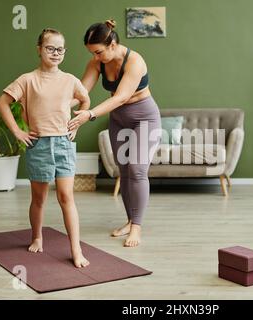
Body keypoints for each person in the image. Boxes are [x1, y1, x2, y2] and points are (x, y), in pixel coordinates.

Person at [0, 28, 91, 268]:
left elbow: (85, 99)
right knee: (39, 198)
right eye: (50, 48)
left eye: (60, 49)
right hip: (38, 145)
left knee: (66, 196)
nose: (56, 53)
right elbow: (3, 102)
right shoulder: (28, 79)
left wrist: (78, 122)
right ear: (39, 49)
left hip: (64, 143)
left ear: (65, 52)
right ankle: (37, 236)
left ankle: (76, 249)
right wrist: (17, 131)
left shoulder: (70, 80)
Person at [67, 20, 161, 247]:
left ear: (112, 43)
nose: (95, 57)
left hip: (144, 118)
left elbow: (120, 97)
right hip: (118, 120)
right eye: (92, 53)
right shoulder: (97, 63)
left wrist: (88, 115)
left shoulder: (135, 61)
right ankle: (130, 221)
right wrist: (59, 107)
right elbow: (81, 92)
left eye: (98, 52)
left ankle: (136, 228)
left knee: (138, 170)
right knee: (125, 171)